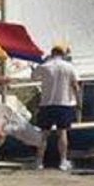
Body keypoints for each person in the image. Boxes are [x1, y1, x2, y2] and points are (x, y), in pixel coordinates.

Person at [34, 43, 80, 171]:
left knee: (43, 134)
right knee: (62, 133)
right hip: (64, 103)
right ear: (63, 54)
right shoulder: (69, 67)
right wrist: (78, 102)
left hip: (46, 103)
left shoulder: (45, 66)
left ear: (52, 52)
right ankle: (63, 161)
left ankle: (39, 162)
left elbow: (34, 76)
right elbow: (75, 86)